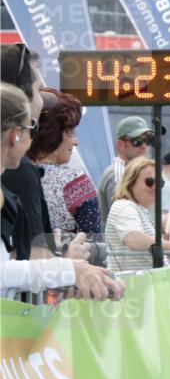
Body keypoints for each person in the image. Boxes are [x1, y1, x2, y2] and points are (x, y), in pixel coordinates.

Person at [1, 83, 122, 301]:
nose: (76, 141)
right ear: (15, 135)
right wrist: (67, 268)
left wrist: (64, 269)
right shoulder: (36, 175)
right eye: (31, 126)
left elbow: (13, 261)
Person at [28, 89, 102, 237]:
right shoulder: (77, 184)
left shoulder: (10, 174)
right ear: (53, 133)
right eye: (71, 132)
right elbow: (94, 243)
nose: (76, 142)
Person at [0, 43, 50, 259]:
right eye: (38, 90)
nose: (42, 101)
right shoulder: (20, 169)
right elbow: (33, 257)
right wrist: (68, 263)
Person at [106, 157, 170, 271]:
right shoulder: (124, 207)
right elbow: (134, 240)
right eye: (150, 182)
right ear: (130, 183)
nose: (155, 187)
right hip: (132, 281)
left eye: (160, 183)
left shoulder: (138, 209)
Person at [97, 116, 153, 223]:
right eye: (137, 141)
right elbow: (123, 221)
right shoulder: (118, 174)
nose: (144, 146)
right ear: (121, 145)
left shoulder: (137, 172)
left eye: (147, 140)